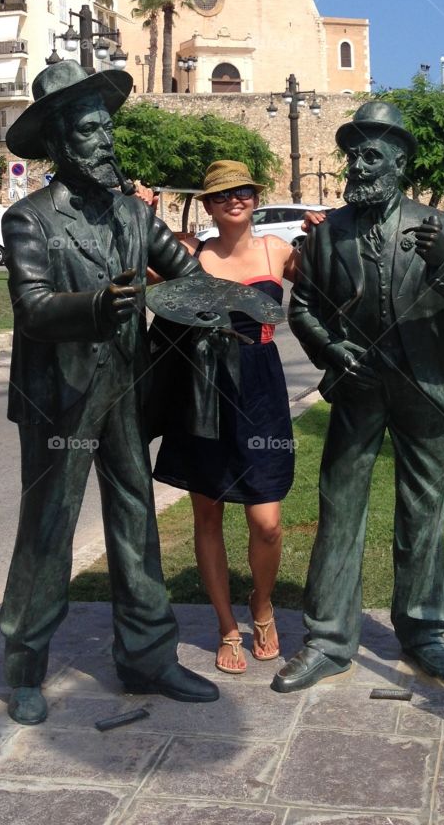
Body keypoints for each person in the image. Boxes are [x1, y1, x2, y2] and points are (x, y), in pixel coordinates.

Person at [0, 60, 219, 724]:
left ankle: (148, 656)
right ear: (61, 145)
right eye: (91, 134)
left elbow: (185, 275)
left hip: (122, 388)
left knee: (135, 518)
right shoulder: (28, 220)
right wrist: (98, 305)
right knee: (48, 527)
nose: (106, 143)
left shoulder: (132, 213)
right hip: (56, 397)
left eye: (107, 130)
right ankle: (26, 665)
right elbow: (33, 307)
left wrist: (227, 306)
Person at [271, 101, 444, 693]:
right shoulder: (330, 233)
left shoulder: (438, 227)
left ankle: (423, 631)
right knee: (339, 507)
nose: (359, 164)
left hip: (422, 387)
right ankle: (328, 639)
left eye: (372, 154)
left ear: (399, 162)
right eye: (354, 154)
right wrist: (328, 350)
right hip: (357, 389)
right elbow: (303, 307)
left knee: (422, 513)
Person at [152, 161, 299, 675]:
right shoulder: (192, 254)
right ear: (209, 205)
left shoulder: (278, 251)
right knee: (207, 513)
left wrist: (333, 235)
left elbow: (335, 282)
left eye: (242, 192)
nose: (233, 200)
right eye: (221, 195)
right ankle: (226, 626)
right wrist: (144, 215)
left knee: (268, 522)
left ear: (255, 198)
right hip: (204, 391)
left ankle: (262, 608)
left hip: (261, 389)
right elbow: (138, 275)